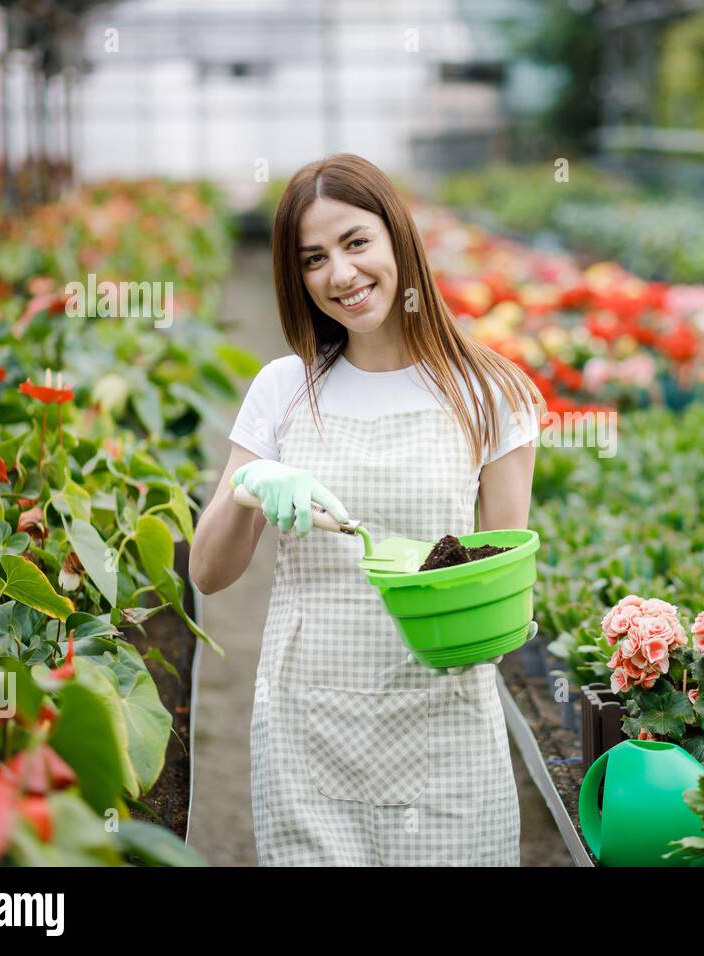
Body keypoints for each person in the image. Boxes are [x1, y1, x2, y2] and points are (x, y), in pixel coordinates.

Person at [188, 153, 545, 866]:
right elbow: (208, 572)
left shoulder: (488, 393)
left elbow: (506, 582)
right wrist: (250, 487)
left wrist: (461, 606)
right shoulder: (284, 389)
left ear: (397, 239)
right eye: (313, 259)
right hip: (310, 725)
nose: (341, 275)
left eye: (355, 243)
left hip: (443, 723)